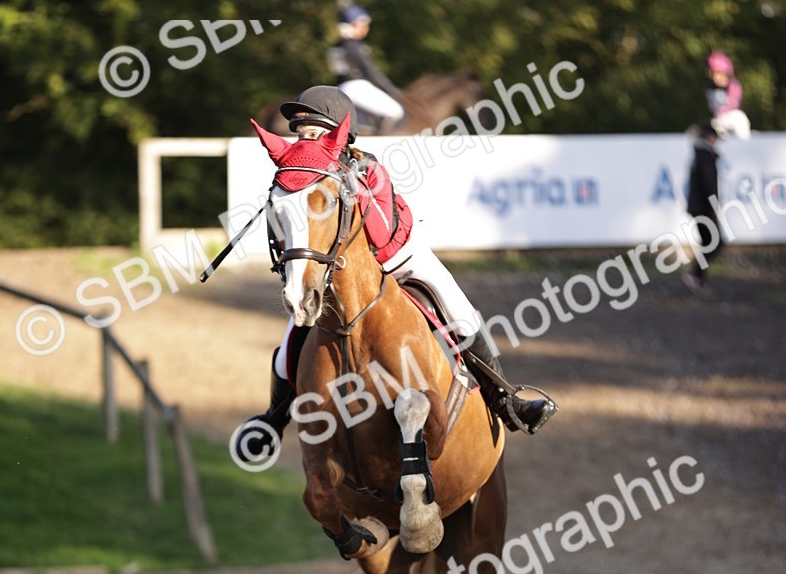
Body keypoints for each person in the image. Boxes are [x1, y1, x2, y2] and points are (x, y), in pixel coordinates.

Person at [236, 85, 555, 464]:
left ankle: (506, 400)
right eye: (299, 131)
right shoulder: (303, 176)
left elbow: (382, 237)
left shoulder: (367, 169)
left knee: (460, 311)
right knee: (289, 345)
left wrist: (350, 193)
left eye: (313, 131)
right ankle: (273, 419)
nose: (304, 138)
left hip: (399, 256)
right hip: (338, 273)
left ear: (338, 134)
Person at [327, 0, 405, 133]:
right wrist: (390, 90)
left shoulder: (337, 45)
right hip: (355, 86)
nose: (366, 28)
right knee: (395, 112)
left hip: (340, 87)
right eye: (363, 25)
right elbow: (370, 71)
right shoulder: (354, 45)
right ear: (354, 24)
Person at [682, 122, 722, 295]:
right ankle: (695, 275)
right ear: (708, 137)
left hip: (699, 207)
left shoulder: (701, 155)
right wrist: (714, 206)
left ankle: (697, 277)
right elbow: (709, 185)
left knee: (710, 242)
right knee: (715, 243)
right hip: (704, 208)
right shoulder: (706, 157)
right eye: (714, 137)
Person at [705, 51, 750, 140]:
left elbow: (733, 103)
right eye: (713, 73)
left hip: (731, 119)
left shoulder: (733, 85)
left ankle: (744, 143)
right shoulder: (711, 88)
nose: (715, 77)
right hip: (719, 121)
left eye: (718, 73)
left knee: (739, 118)